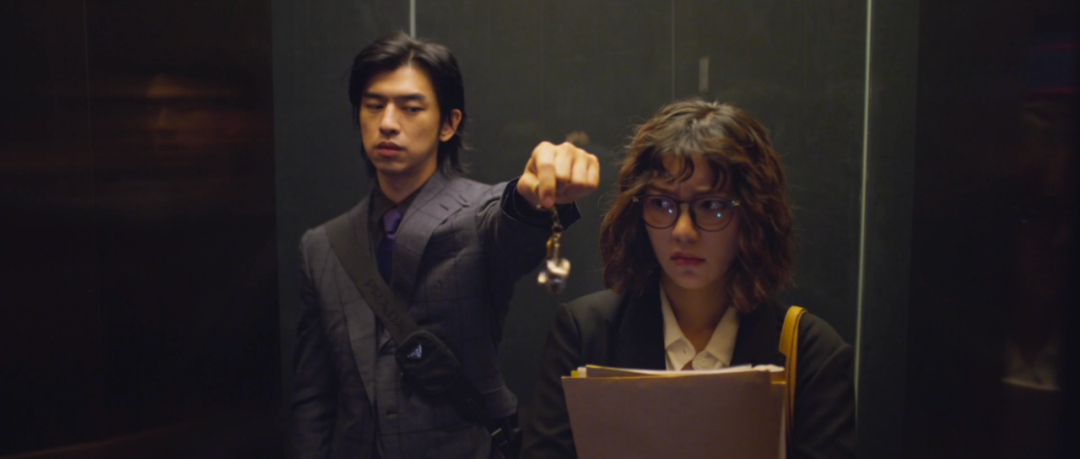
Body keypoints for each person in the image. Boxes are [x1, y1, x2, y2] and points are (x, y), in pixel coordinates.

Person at [291, 31, 600, 459]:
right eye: (374, 105)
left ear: (449, 124)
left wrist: (533, 196)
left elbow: (510, 223)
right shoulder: (322, 247)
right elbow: (314, 397)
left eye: (411, 107)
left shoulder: (479, 214)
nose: (387, 122)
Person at [521, 99, 855, 459]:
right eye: (662, 204)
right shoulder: (586, 333)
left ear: (753, 215)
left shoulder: (811, 354)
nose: (683, 231)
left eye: (711, 206)